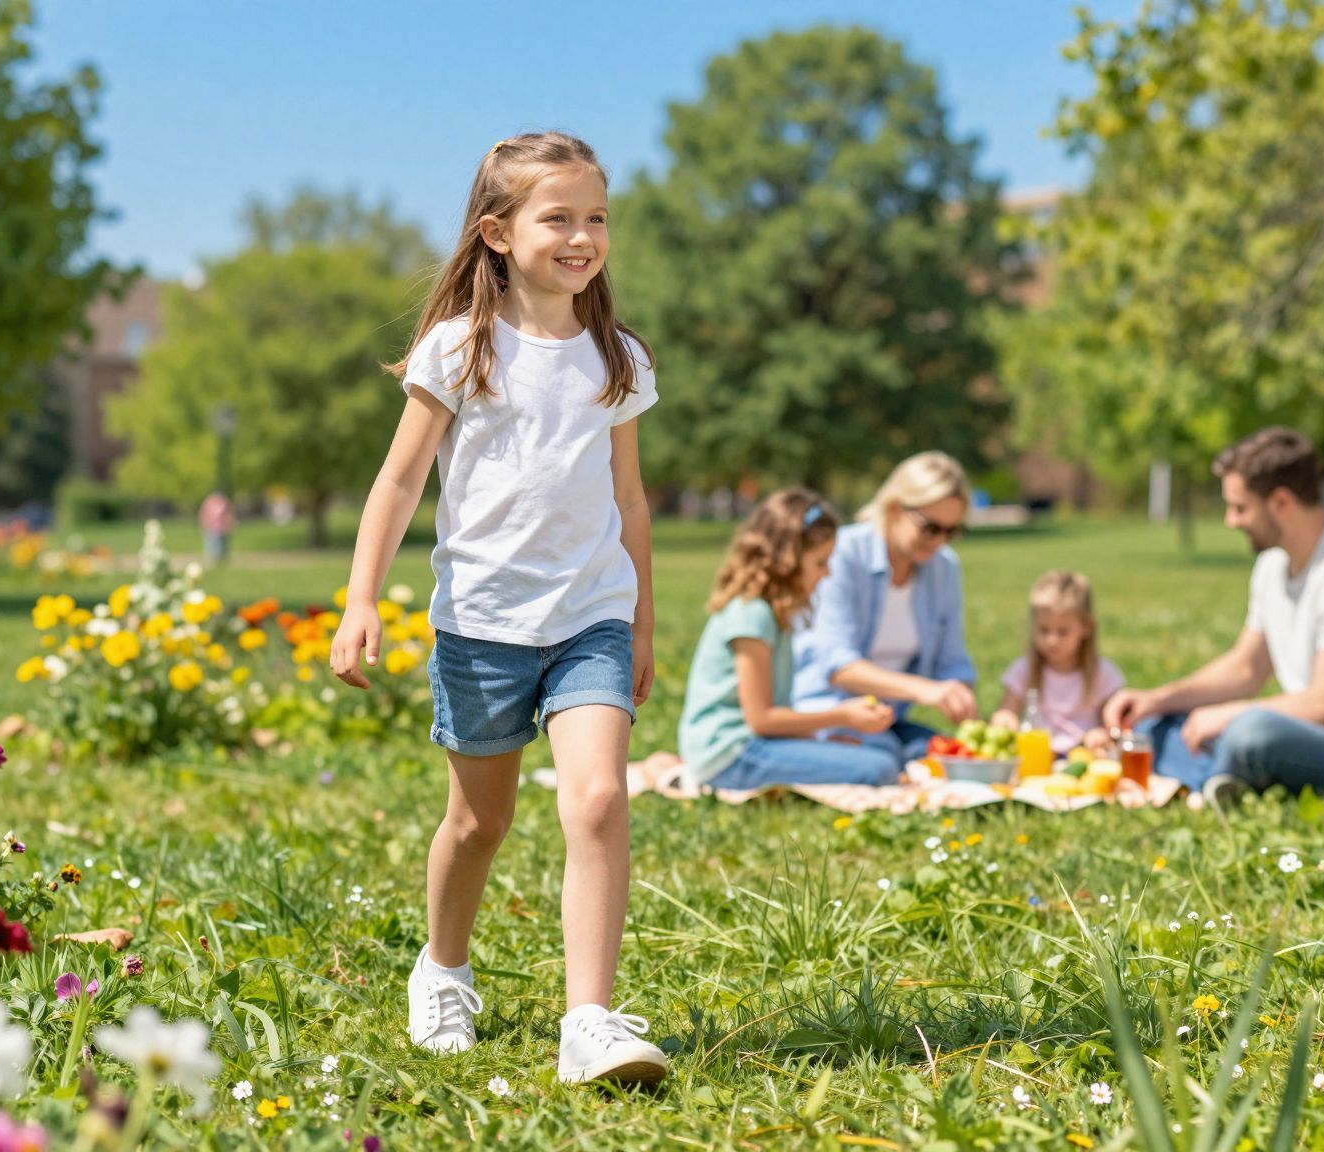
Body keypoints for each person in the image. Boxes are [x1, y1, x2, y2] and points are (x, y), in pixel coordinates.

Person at [328, 132, 667, 1085]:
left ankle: (588, 1021)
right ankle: (442, 968)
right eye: (558, 217)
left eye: (596, 217)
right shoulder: (459, 346)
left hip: (591, 618)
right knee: (480, 824)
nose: (582, 236)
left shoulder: (617, 357)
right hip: (483, 624)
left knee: (598, 799)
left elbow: (630, 499)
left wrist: (641, 622)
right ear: (497, 233)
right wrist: (360, 600)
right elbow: (399, 482)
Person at [1103, 427, 1324, 806]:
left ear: (1281, 502)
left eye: (1240, 508)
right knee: (1152, 726)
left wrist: (1229, 716)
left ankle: (1214, 776)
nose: (1230, 521)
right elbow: (1246, 668)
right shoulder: (1272, 565)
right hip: (1299, 740)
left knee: (1250, 733)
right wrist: (1156, 699)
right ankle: (1223, 778)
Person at [680, 490, 901, 789]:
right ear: (788, 561)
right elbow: (761, 719)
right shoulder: (752, 614)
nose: (827, 574)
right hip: (730, 755)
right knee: (880, 768)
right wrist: (842, 716)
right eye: (821, 563)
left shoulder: (773, 615)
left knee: (882, 749)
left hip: (755, 744)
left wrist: (818, 746)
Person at [792, 451, 980, 765]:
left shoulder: (944, 567)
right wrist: (923, 689)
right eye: (931, 528)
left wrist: (959, 694)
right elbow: (837, 665)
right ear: (894, 509)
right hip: (827, 713)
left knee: (945, 757)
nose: (940, 542)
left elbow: (953, 662)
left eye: (952, 531)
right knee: (886, 762)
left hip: (886, 719)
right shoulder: (844, 553)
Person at [988, 571, 1125, 753]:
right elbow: (1007, 711)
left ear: (1086, 627)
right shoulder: (1024, 670)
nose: (1052, 640)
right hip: (1036, 756)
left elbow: (1115, 728)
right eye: (1044, 630)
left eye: (1063, 632)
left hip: (1085, 758)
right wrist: (1004, 719)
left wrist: (1103, 734)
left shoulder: (1103, 674)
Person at [198, 491, 235, 566]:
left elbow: (229, 515)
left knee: (223, 546)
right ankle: (212, 560)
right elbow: (204, 514)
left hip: (222, 528)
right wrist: (204, 524)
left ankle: (222, 560)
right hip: (212, 528)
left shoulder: (224, 503)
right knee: (212, 545)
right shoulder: (209, 503)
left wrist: (230, 524)